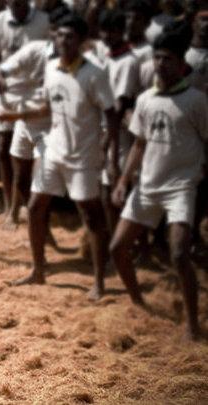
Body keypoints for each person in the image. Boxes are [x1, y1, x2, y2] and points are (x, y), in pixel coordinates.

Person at [11, 14, 119, 302]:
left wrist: (109, 153)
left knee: (91, 216)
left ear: (82, 42)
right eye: (59, 36)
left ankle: (99, 282)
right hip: (53, 150)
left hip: (83, 155)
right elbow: (47, 106)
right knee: (35, 208)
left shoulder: (95, 74)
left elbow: (111, 114)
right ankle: (37, 270)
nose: (62, 41)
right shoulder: (50, 68)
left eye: (69, 37)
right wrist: (18, 112)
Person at [109, 24, 207, 341]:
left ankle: (192, 324)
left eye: (167, 59)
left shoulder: (196, 100)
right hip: (148, 185)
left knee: (179, 253)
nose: (161, 65)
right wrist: (124, 180)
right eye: (157, 58)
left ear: (182, 64)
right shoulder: (146, 99)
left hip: (181, 187)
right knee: (118, 248)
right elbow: (139, 144)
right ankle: (139, 301)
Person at [0, 0, 49, 215]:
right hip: (2, 87)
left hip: (31, 91)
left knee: (24, 152)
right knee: (1, 147)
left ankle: (21, 205)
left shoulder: (43, 21)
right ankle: (8, 205)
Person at [97, 9, 141, 233]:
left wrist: (107, 145)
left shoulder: (128, 61)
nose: (106, 35)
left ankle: (127, 244)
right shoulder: (106, 54)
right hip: (104, 129)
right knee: (105, 189)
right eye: (103, 30)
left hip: (119, 133)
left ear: (121, 32)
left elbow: (119, 107)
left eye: (112, 31)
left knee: (118, 188)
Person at [126, 0, 154, 65]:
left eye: (137, 19)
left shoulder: (148, 52)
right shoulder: (118, 46)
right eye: (128, 17)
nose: (131, 22)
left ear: (147, 23)